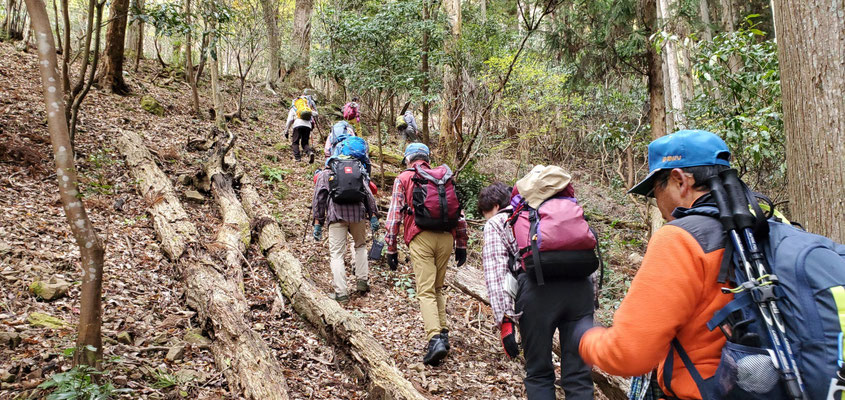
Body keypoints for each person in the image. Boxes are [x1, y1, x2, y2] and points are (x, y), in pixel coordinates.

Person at [576, 130, 734, 400]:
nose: (657, 203)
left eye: (654, 191)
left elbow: (628, 354)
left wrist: (587, 339)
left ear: (679, 180)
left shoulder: (681, 238)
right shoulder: (768, 228)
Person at [479, 178, 595, 400]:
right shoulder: (572, 212)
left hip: (537, 294)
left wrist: (505, 321)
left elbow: (496, 274)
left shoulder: (502, 221)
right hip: (580, 292)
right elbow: (588, 257)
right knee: (580, 376)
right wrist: (592, 302)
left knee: (539, 374)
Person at [384, 143, 468, 366]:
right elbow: (459, 214)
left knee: (425, 291)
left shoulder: (403, 178)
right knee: (438, 288)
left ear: (408, 159)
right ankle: (443, 334)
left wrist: (391, 247)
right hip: (446, 238)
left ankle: (434, 339)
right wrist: (462, 244)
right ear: (427, 158)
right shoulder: (443, 177)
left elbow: (394, 216)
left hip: (421, 237)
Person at [312, 140, 380, 304]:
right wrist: (373, 216)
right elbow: (368, 194)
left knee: (337, 254)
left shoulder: (326, 173)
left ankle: (341, 293)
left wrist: (318, 223)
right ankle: (362, 281)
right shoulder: (359, 170)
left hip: (336, 216)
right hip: (358, 215)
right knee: (361, 246)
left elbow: (319, 199)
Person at [284, 89, 319, 163]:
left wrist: (286, 131)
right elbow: (315, 114)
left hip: (298, 124)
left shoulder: (294, 107)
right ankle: (310, 152)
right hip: (307, 125)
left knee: (295, 142)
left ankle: (297, 158)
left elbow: (289, 120)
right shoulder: (308, 107)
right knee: (305, 143)